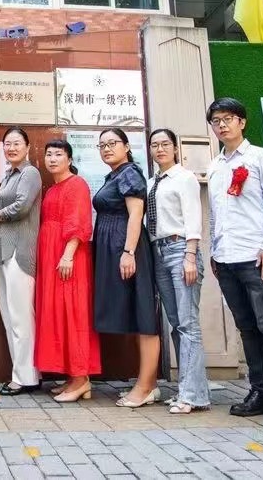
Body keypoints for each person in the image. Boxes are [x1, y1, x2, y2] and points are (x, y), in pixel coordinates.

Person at [206, 98, 263, 428]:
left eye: (228, 119)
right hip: (226, 260)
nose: (222, 125)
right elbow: (216, 215)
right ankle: (261, 392)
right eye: (216, 121)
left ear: (242, 122)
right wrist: (215, 253)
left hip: (257, 259)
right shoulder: (215, 165)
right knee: (247, 329)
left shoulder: (261, 158)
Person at [91, 128, 159, 408]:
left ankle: (145, 388)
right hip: (113, 247)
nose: (107, 149)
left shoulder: (129, 173)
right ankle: (147, 384)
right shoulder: (115, 175)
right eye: (102, 145)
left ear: (127, 146)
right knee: (132, 312)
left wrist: (128, 252)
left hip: (126, 247)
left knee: (143, 315)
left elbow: (136, 214)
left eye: (113, 143)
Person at [147, 128, 210, 414]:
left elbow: (193, 218)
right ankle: (189, 389)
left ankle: (193, 395)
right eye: (154, 145)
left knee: (188, 324)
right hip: (159, 252)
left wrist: (189, 256)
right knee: (176, 322)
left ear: (175, 148)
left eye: (165, 144)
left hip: (180, 249)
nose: (159, 149)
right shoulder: (152, 183)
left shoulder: (184, 178)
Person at [0, 127, 42, 396]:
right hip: (3, 251)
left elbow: (22, 207)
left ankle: (26, 377)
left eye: (17, 144)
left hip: (20, 252)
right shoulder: (9, 176)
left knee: (21, 316)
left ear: (28, 147)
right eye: (8, 144)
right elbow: (5, 205)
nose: (12, 148)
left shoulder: (30, 173)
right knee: (9, 315)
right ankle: (22, 372)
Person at [33, 139, 100, 402]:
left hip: (67, 256)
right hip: (52, 256)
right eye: (48, 154)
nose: (52, 159)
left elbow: (80, 223)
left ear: (69, 159)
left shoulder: (77, 185)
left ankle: (82, 378)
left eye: (58, 154)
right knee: (58, 312)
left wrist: (68, 255)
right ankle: (73, 377)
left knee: (74, 313)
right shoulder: (52, 189)